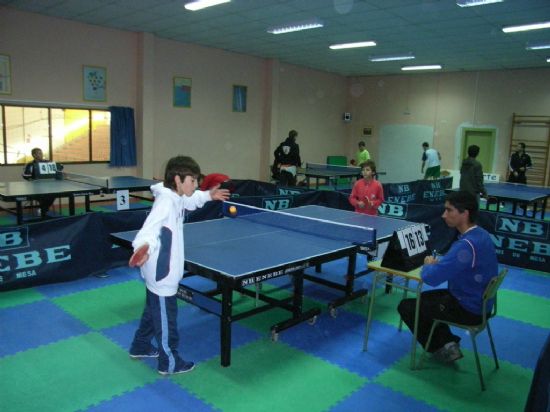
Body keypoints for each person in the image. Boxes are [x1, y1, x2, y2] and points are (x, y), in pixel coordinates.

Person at [128, 155, 230, 375]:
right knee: (167, 319)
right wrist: (143, 246)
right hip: (162, 272)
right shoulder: (165, 202)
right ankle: (169, 362)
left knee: (152, 311)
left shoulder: (175, 197)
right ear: (177, 179)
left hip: (157, 270)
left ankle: (141, 345)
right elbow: (149, 230)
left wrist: (208, 195)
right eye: (192, 181)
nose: (195, 185)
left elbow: (189, 200)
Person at [397, 191, 498, 363]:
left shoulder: (465, 246)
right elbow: (458, 264)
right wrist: (443, 264)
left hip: (468, 308)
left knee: (407, 306)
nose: (444, 215)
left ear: (464, 213)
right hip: (482, 304)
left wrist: (428, 265)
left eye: (449, 210)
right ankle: (448, 343)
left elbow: (431, 279)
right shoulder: (481, 235)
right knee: (424, 300)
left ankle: (442, 348)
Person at [22, 147, 56, 216]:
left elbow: (55, 170)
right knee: (43, 197)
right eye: (39, 153)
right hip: (35, 189)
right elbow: (25, 175)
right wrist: (31, 179)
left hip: (47, 187)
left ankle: (43, 210)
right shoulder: (30, 164)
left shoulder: (47, 162)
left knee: (53, 194)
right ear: (34, 155)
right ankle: (43, 211)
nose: (41, 155)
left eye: (41, 153)